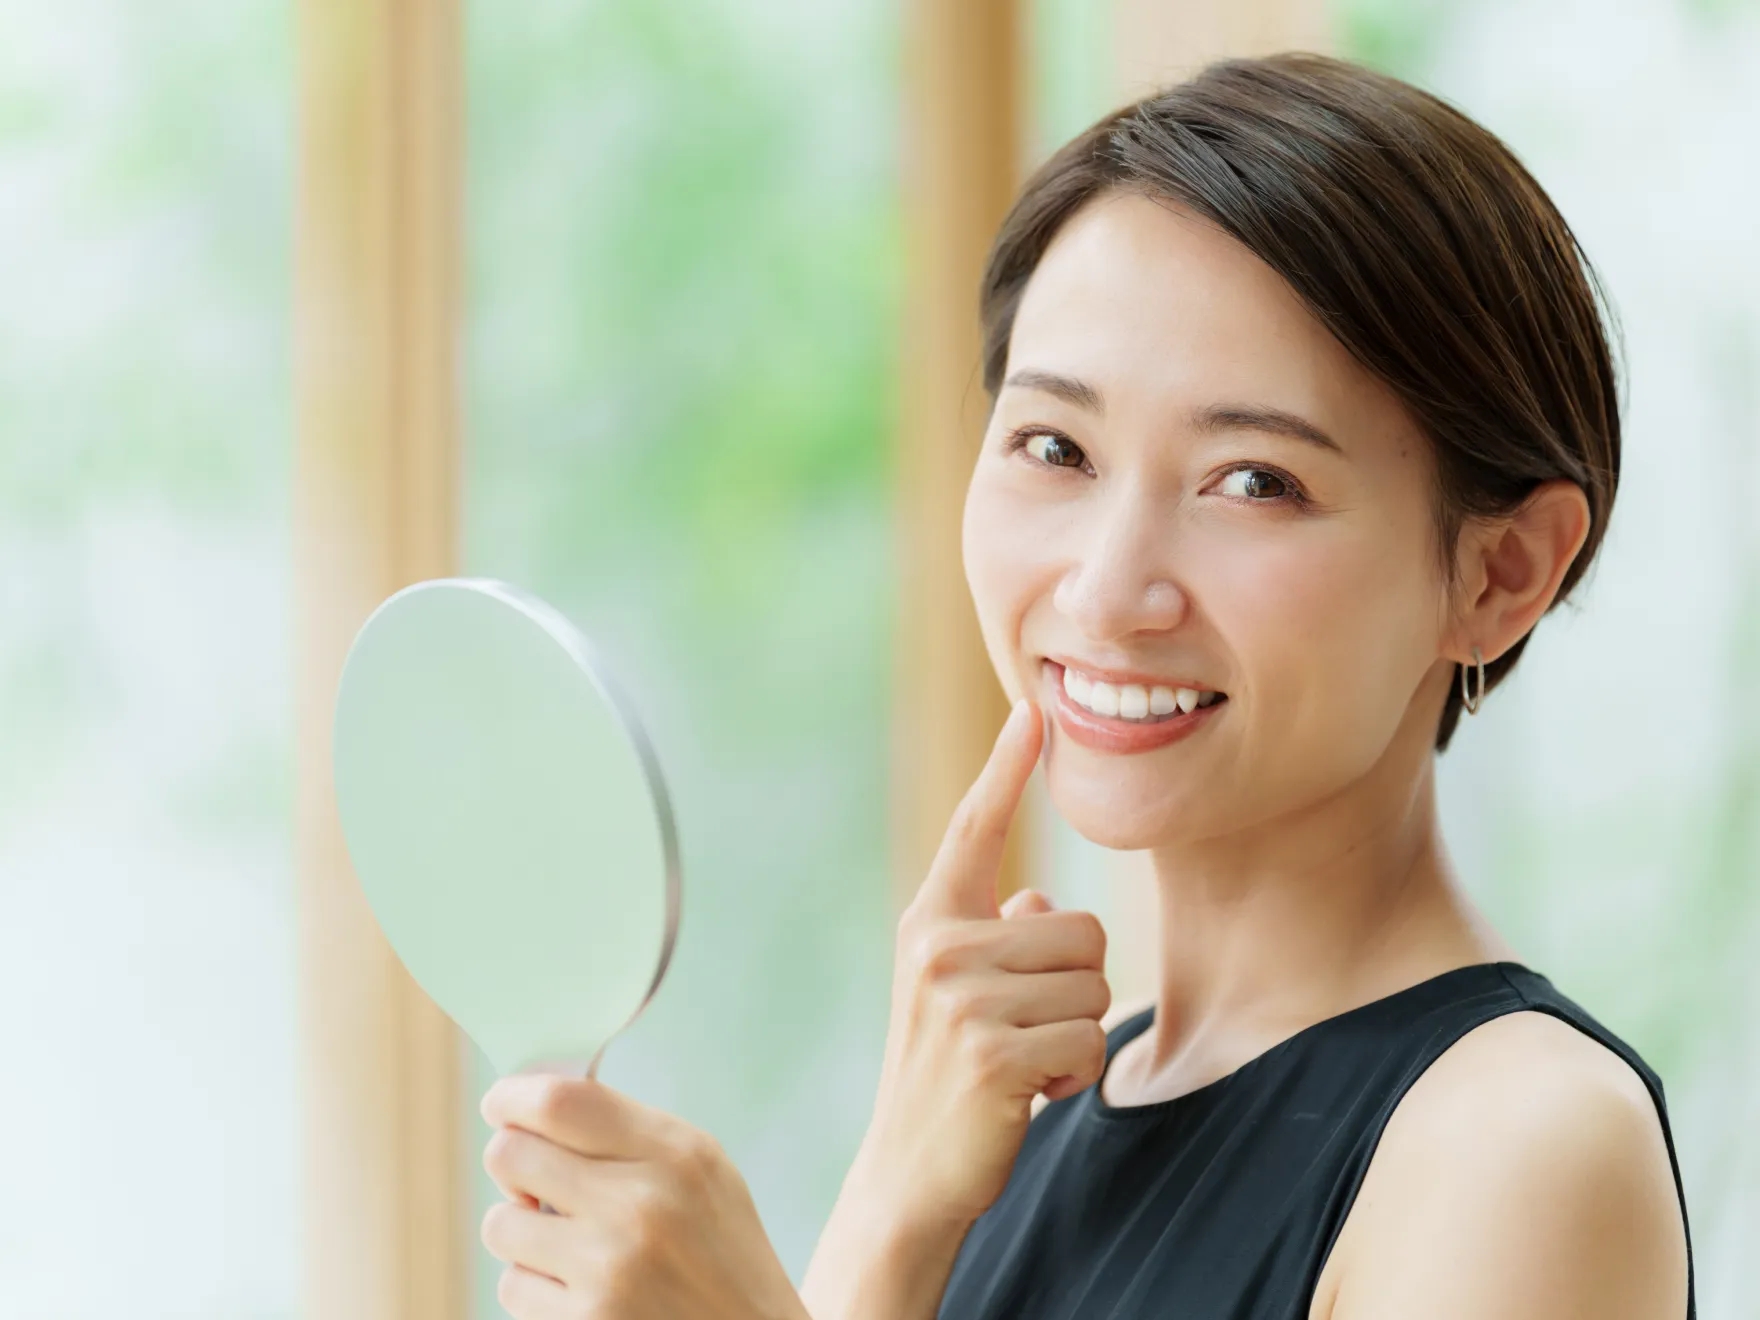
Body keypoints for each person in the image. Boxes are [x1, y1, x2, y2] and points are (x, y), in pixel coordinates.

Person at [476, 51, 1695, 1320]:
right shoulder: (994, 1129)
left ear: (1499, 572)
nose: (1109, 591)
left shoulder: (1521, 1144)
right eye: (1053, 448)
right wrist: (894, 1201)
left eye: (1251, 481)